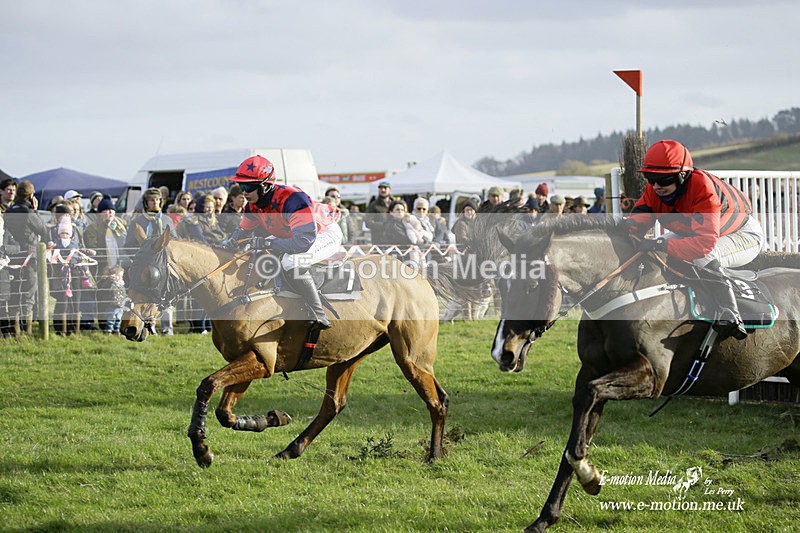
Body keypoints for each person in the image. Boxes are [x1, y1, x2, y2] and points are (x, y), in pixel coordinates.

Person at [627, 139, 764, 340]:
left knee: (704, 255)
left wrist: (659, 243)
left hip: (743, 235)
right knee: (658, 249)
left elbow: (703, 245)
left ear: (683, 176)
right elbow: (633, 226)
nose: (656, 186)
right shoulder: (653, 191)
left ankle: (731, 315)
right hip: (697, 232)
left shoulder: (702, 188)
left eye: (664, 180)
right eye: (650, 178)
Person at [225, 155, 342, 330]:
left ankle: (319, 314)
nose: (244, 192)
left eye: (248, 186)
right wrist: (228, 243)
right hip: (293, 234)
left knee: (290, 261)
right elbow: (243, 231)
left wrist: (268, 244)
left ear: (265, 186)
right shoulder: (253, 204)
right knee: (256, 253)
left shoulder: (293, 199)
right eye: (241, 186)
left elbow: (303, 242)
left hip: (321, 233)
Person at [4, 180, 48, 334]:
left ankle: (14, 330)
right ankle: (27, 331)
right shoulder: (28, 213)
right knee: (28, 295)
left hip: (12, 257)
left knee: (15, 295)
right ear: (30, 196)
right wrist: (35, 210)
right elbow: (43, 230)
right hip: (29, 257)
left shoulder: (8, 211)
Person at [83, 197, 128, 332]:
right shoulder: (93, 228)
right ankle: (104, 324)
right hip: (102, 268)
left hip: (120, 267)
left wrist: (120, 267)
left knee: (119, 296)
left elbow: (125, 246)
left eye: (111, 210)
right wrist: (108, 268)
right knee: (103, 296)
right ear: (100, 213)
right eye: (106, 211)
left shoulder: (121, 225)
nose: (109, 213)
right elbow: (92, 247)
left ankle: (118, 323)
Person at [103, 265, 126, 336]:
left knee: (118, 319)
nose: (120, 278)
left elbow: (124, 293)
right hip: (112, 305)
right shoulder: (110, 283)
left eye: (121, 276)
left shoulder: (121, 284)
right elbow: (106, 288)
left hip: (120, 305)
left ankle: (117, 330)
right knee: (111, 318)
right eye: (119, 276)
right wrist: (110, 280)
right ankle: (109, 331)